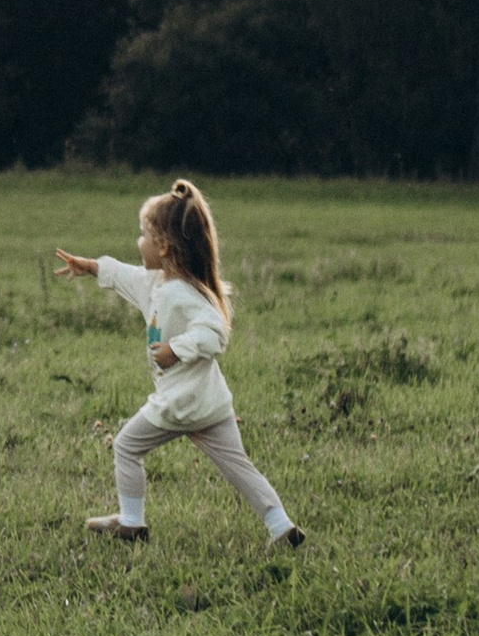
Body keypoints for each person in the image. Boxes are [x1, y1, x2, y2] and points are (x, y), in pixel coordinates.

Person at [57, 179, 303, 552]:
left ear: (163, 247)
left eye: (143, 235)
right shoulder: (159, 282)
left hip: (178, 405)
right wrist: (91, 267)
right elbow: (128, 275)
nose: (138, 242)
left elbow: (215, 332)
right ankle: (282, 527)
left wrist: (177, 348)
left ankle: (132, 522)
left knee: (125, 447)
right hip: (211, 404)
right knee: (239, 468)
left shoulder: (181, 294)